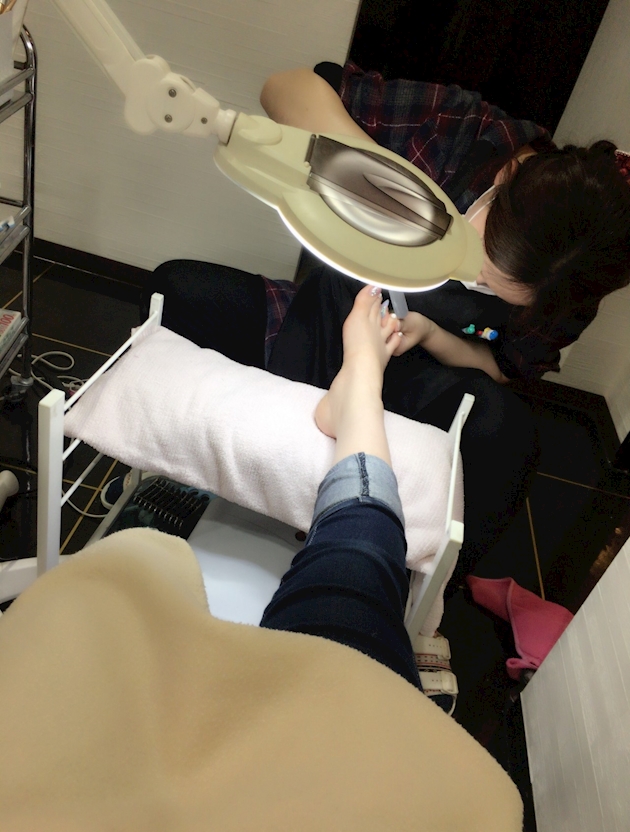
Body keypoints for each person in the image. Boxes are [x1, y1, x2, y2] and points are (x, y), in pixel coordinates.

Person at [0, 285, 524, 832]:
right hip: (352, 755)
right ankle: (360, 399)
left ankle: (359, 396)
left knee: (145, 563)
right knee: (355, 576)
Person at [142, 62, 630, 591]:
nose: (473, 279)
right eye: (481, 262)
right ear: (505, 177)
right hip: (321, 317)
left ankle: (424, 596)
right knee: (175, 290)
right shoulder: (462, 133)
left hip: (416, 373)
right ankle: (181, 485)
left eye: (494, 287)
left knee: (510, 437)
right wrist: (373, 175)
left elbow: (504, 364)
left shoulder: (572, 281)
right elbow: (284, 89)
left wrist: (432, 334)